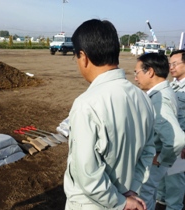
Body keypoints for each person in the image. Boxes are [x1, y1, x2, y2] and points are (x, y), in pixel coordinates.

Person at [63, 19, 156, 210]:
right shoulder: (143, 98)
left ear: (84, 57)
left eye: (76, 57)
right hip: (126, 193)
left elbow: (87, 174)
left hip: (90, 204)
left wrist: (120, 202)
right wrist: (131, 190)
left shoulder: (86, 104)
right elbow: (148, 152)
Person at [134, 53, 185, 210]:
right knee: (155, 193)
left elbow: (177, 140)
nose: (135, 77)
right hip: (162, 149)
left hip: (161, 154)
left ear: (150, 72)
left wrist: (162, 158)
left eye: (137, 72)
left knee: (146, 197)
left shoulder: (160, 98)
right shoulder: (168, 88)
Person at [156, 49, 185, 210]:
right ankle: (161, 201)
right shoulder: (172, 85)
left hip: (180, 142)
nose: (171, 67)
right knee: (163, 176)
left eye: (175, 64)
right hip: (167, 140)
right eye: (170, 64)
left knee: (175, 180)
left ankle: (174, 207)